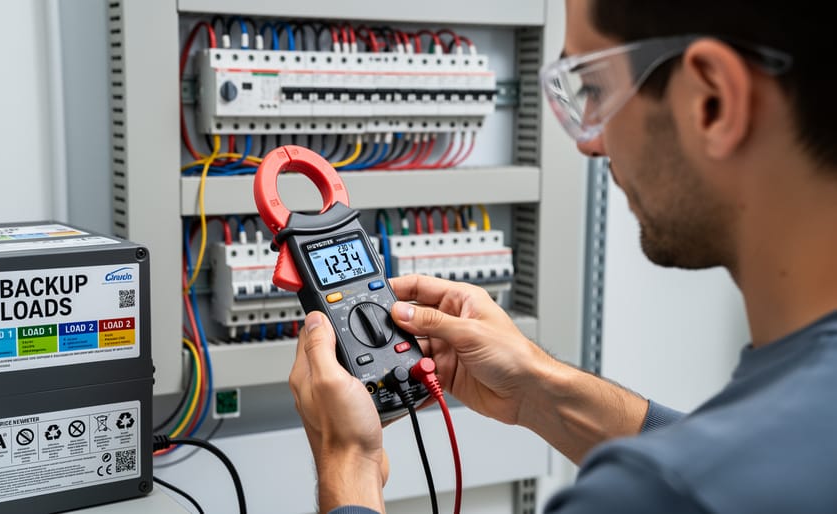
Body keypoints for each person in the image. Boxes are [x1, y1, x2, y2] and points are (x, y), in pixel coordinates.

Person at [288, 0, 837, 512]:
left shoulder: (646, 495)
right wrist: (537, 388)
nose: (589, 143)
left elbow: (693, 480)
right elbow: (740, 461)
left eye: (594, 87)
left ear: (712, 102)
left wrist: (349, 463)